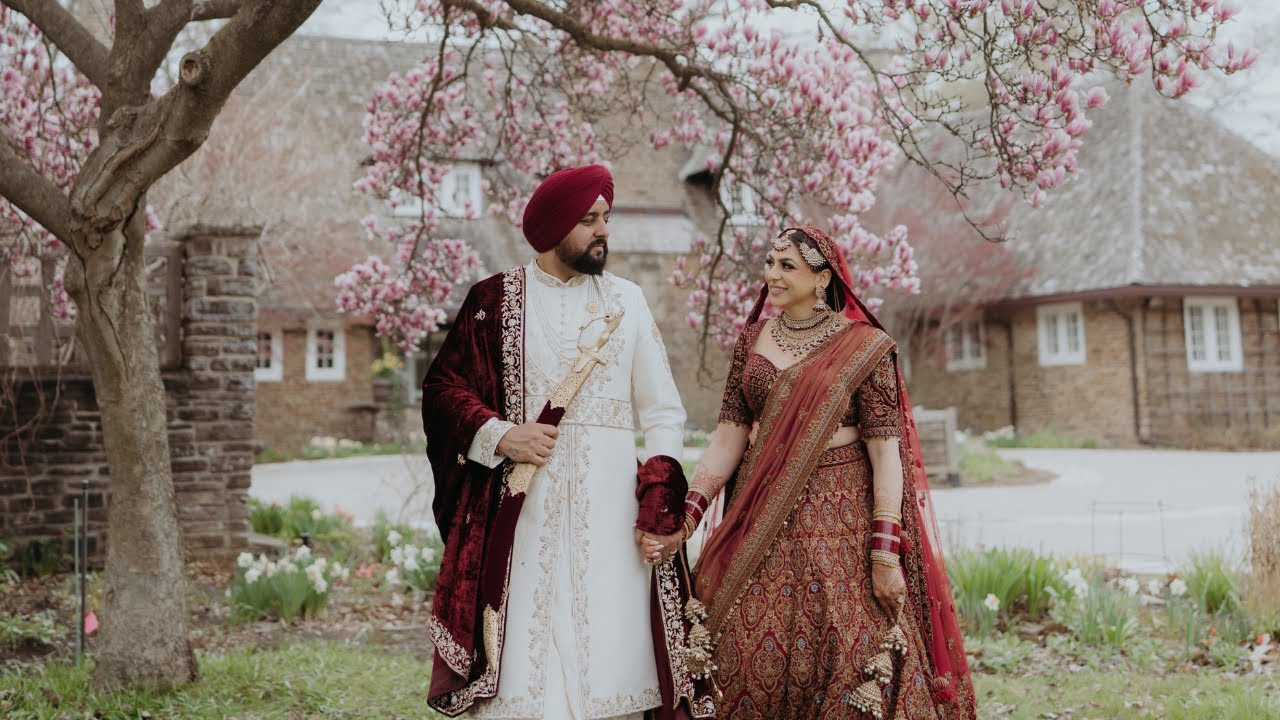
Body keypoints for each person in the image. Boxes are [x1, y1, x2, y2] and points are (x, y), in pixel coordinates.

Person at [659, 226, 978, 719]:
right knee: (739, 645)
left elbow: (885, 454)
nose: (772, 275)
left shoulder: (865, 347)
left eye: (788, 266)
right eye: (770, 263)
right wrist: (688, 516)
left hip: (840, 520)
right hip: (758, 511)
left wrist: (884, 551)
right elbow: (729, 438)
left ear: (823, 277)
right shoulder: (752, 340)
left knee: (848, 651)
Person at [421, 164, 700, 719]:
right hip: (523, 518)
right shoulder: (494, 300)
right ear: (553, 227)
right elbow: (442, 388)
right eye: (589, 220)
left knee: (615, 675)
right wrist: (501, 436)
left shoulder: (628, 303)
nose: (603, 231)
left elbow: (665, 410)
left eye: (605, 218)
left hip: (614, 524)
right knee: (528, 684)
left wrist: (657, 500)